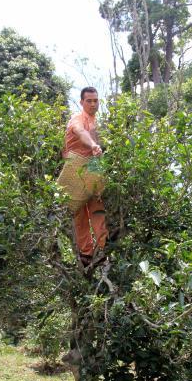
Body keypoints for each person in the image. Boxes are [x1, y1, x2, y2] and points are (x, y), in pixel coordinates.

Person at [62, 86, 108, 267]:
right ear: (82, 102)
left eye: (96, 100)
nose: (93, 104)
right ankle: (86, 252)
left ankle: (102, 248)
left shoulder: (97, 122)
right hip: (76, 167)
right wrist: (93, 145)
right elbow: (81, 133)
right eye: (89, 101)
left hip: (94, 166)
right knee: (79, 210)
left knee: (97, 206)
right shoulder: (77, 119)